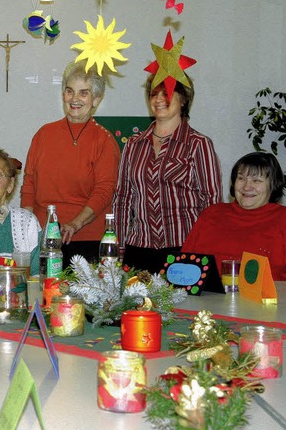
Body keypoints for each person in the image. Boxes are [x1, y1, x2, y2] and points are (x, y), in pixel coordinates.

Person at [113, 74, 222, 273]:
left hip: (185, 249)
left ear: (184, 99)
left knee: (184, 306)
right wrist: (118, 250)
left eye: (167, 93)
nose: (159, 99)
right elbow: (122, 199)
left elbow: (212, 203)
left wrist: (205, 249)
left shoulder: (198, 144)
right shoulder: (133, 144)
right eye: (154, 94)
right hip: (138, 249)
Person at [20, 61, 120, 266]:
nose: (75, 99)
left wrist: (75, 224)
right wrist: (25, 228)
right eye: (69, 91)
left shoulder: (105, 141)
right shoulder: (43, 134)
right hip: (43, 238)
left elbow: (104, 191)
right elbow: (29, 184)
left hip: (86, 239)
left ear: (96, 99)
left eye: (84, 93)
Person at [182, 152, 286, 280]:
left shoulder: (283, 219)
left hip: (266, 299)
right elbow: (184, 266)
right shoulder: (211, 214)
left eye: (256, 180)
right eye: (241, 178)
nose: (247, 187)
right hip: (208, 298)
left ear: (273, 185)